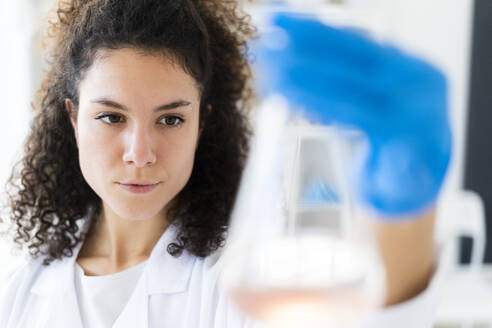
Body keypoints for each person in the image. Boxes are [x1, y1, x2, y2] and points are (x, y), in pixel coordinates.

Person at [0, 0, 451, 327]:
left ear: (202, 124)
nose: (140, 152)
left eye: (171, 118)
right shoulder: (22, 289)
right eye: (111, 116)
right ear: (74, 119)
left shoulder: (236, 276)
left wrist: (406, 208)